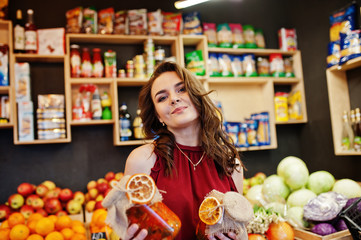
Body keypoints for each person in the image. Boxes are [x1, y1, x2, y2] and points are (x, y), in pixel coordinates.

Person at [124, 61, 245, 240]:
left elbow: (240, 231)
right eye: (162, 98)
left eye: (181, 89)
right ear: (158, 115)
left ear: (196, 95)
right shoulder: (142, 160)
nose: (173, 98)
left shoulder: (230, 164)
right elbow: (129, 231)